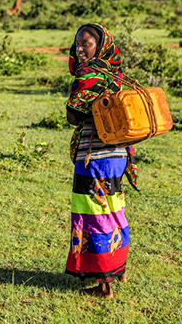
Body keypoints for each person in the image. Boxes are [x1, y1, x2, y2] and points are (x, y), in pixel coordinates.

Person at [65, 23, 136, 298]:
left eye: (86, 44)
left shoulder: (89, 74)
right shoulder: (116, 75)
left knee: (95, 215)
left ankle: (104, 283)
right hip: (119, 154)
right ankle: (119, 269)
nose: (80, 50)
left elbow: (73, 116)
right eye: (78, 44)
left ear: (100, 46)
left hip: (94, 154)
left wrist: (75, 89)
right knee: (115, 211)